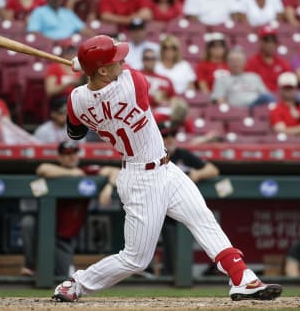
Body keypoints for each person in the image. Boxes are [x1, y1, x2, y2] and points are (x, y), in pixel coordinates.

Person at [52, 34, 283, 302]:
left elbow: (75, 132)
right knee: (136, 259)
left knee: (202, 218)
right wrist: (88, 68)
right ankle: (77, 283)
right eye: (115, 59)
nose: (123, 60)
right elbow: (127, 73)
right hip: (140, 179)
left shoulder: (76, 99)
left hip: (166, 169)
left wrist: (87, 75)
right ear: (103, 70)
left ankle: (242, 278)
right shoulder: (132, 84)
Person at [20, 140, 120, 277]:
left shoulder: (87, 172)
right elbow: (42, 168)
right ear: (60, 157)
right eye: (67, 154)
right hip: (43, 232)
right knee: (28, 222)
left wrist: (108, 187)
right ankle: (30, 266)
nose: (72, 156)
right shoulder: (56, 172)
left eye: (74, 153)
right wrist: (74, 173)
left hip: (64, 239)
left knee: (65, 277)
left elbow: (114, 170)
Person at [157, 120, 220, 276]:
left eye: (173, 135)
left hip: (181, 208)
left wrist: (197, 174)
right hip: (159, 209)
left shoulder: (182, 155)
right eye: (165, 136)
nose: (170, 139)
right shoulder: (151, 156)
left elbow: (213, 169)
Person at [211, 47, 276, 108]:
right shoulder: (222, 79)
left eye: (238, 60)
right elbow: (218, 99)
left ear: (245, 63)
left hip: (255, 105)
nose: (235, 63)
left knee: (268, 97)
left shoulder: (254, 77)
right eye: (232, 61)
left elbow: (265, 93)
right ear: (227, 63)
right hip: (235, 108)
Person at [27, 0, 93, 41]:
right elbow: (34, 31)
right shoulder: (39, 12)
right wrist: (48, 42)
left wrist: (95, 38)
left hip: (71, 44)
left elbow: (82, 29)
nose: (55, 0)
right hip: (51, 45)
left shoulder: (67, 12)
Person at [244, 25, 292, 92]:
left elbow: (290, 84)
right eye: (266, 40)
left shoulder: (283, 63)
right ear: (260, 42)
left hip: (279, 97)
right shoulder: (252, 62)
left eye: (273, 41)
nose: (270, 44)